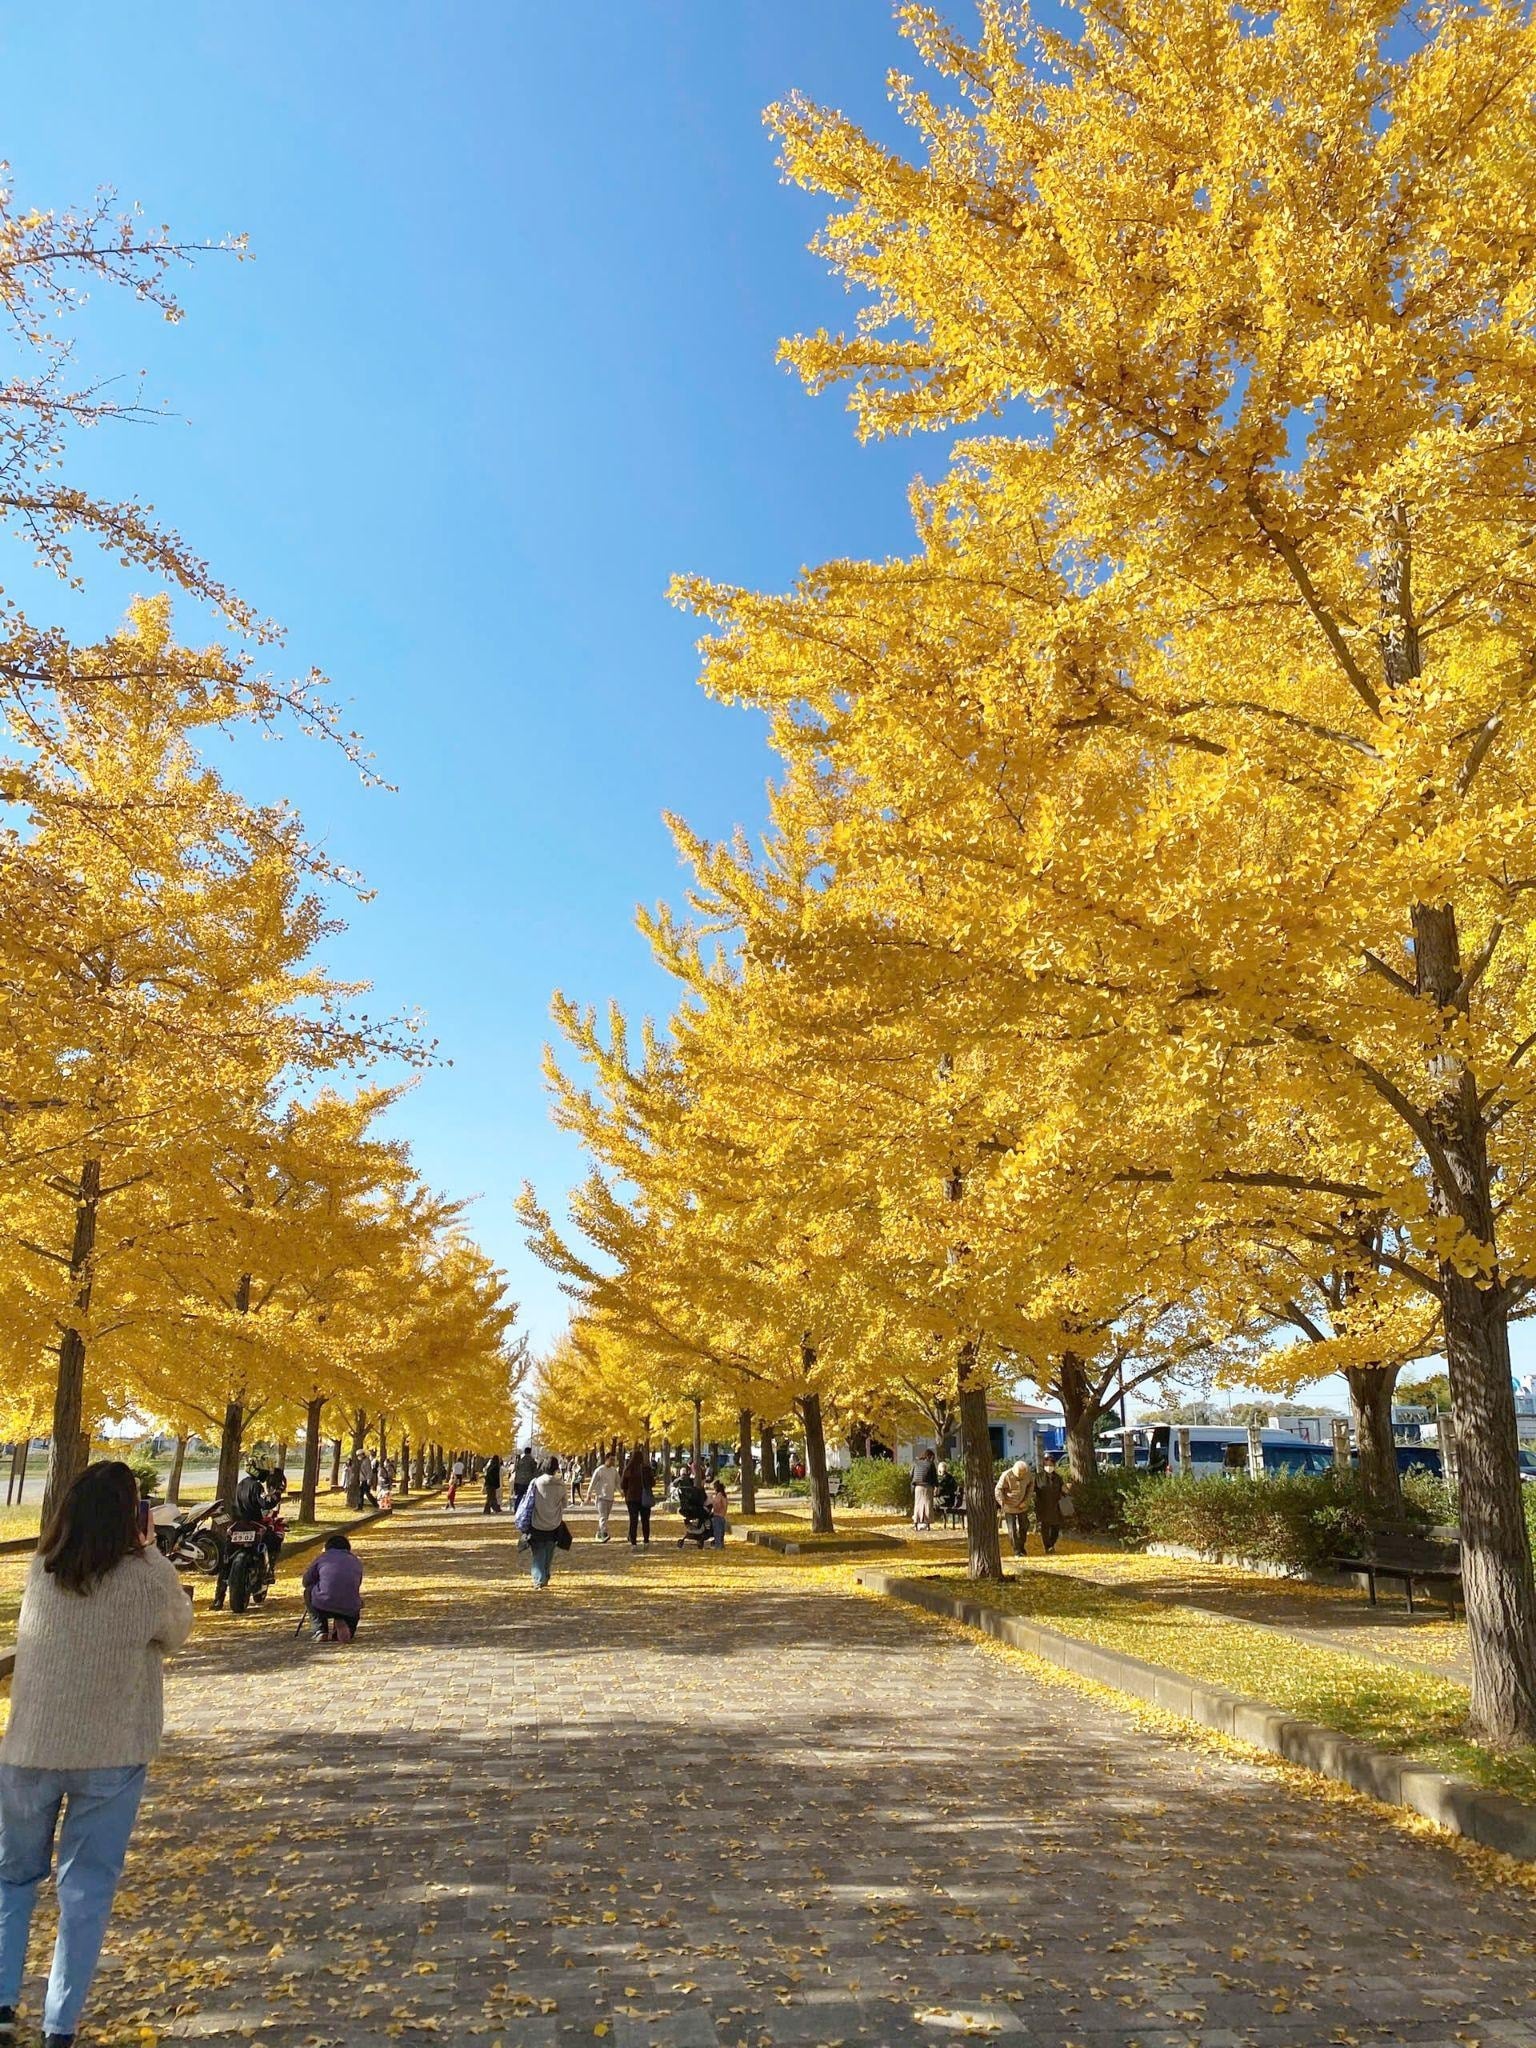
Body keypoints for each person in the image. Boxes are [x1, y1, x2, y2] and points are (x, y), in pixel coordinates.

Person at [0, 1460, 193, 2048]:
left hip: (29, 1748)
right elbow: (178, 1629)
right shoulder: (146, 1576)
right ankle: (60, 2023)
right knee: (84, 1887)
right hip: (110, 1750)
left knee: (11, 1880)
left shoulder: (41, 1568)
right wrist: (153, 1551)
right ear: (132, 1516)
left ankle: (2, 2005)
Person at [301, 1532, 365, 1642]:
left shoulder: (322, 1558)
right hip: (350, 1606)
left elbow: (306, 1581)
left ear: (327, 1547)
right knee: (352, 1600)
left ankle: (320, 1630)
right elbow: (357, 1583)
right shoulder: (355, 1561)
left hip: (323, 1603)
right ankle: (344, 1626)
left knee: (309, 1591)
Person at [522, 1456, 567, 1589]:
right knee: (549, 1550)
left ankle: (539, 1578)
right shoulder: (560, 1484)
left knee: (538, 1551)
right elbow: (565, 1504)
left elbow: (528, 1502)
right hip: (554, 1522)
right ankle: (545, 1574)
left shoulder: (536, 1482)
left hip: (538, 1521)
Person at [995, 1458, 1037, 1557]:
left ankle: (1021, 1546)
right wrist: (1002, 1502)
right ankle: (1016, 1550)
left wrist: (1026, 1501)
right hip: (1009, 1505)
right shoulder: (1006, 1475)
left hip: (1022, 1505)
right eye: (1020, 1474)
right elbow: (998, 1489)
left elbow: (1031, 1487)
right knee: (1012, 1529)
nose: (1022, 1476)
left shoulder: (1028, 1474)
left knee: (1024, 1526)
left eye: (1023, 1474)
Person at [621, 1444, 654, 1548]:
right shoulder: (646, 1469)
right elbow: (652, 1483)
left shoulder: (628, 1469)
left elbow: (623, 1485)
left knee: (633, 1521)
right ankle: (646, 1541)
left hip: (632, 1499)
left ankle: (633, 1543)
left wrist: (627, 1492)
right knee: (645, 1520)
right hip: (644, 1498)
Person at [1034, 1454, 1066, 1554]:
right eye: (1047, 1465)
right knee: (1045, 1527)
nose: (1049, 1467)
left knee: (1056, 1527)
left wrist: (1066, 1490)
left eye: (1051, 1465)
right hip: (1043, 1505)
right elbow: (1034, 1490)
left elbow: (1062, 1490)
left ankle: (1051, 1543)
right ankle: (1047, 1547)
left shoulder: (1058, 1478)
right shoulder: (1038, 1477)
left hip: (1055, 1505)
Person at [587, 1452, 618, 1543]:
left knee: (604, 1517)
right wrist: (589, 1493)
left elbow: (617, 1483)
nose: (613, 1461)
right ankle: (604, 1534)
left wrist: (621, 1491)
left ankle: (599, 1533)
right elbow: (592, 1483)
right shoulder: (599, 1470)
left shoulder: (614, 1471)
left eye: (614, 1459)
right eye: (611, 1459)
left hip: (610, 1497)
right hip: (600, 1497)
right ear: (606, 1459)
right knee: (603, 1517)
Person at [911, 1447, 938, 1532]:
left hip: (917, 1487)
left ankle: (916, 1522)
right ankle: (927, 1524)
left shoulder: (916, 1463)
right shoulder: (930, 1464)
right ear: (930, 1456)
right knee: (927, 1505)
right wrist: (936, 1486)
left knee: (918, 1505)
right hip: (927, 1486)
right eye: (932, 1457)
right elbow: (934, 1477)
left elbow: (911, 1474)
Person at [709, 1477, 729, 1549]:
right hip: (722, 1516)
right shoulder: (724, 1496)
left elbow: (716, 1504)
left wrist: (712, 1500)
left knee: (717, 1533)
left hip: (717, 1516)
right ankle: (721, 1545)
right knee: (721, 1533)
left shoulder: (719, 1495)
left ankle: (718, 1546)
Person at [482, 1452, 503, 1516]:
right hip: (492, 1484)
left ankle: (496, 1508)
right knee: (490, 1497)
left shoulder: (491, 1466)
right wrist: (495, 1483)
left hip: (489, 1483)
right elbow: (494, 1476)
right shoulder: (495, 1467)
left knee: (492, 1497)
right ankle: (487, 1510)